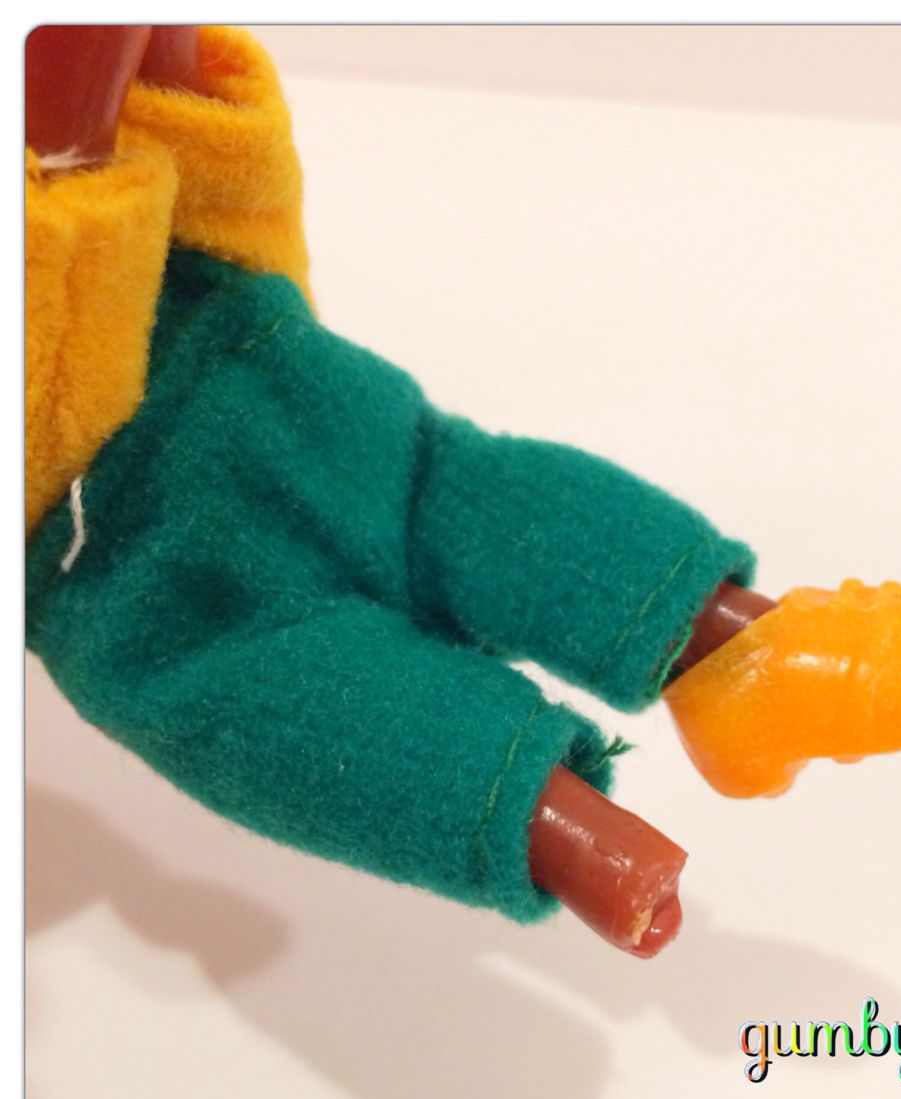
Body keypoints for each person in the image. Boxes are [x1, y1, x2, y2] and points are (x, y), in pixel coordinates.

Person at [25, 25, 777, 958]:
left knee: (271, 665)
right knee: (440, 486)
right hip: (235, 342)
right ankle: (748, 646)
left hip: (112, 510)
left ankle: (613, 806)